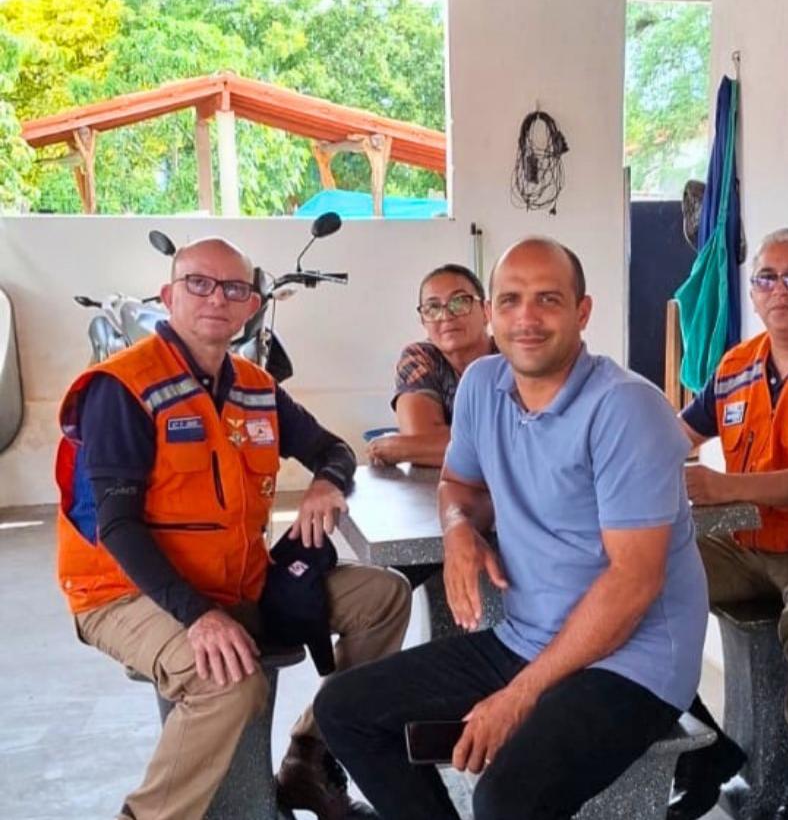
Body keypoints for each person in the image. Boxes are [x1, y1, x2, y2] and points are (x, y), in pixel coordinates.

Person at [315, 237, 710, 820]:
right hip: (527, 638)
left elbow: (634, 582)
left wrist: (518, 696)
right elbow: (460, 484)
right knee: (345, 709)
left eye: (548, 299)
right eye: (510, 300)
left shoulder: (627, 408)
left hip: (634, 662)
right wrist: (458, 530)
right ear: (491, 313)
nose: (527, 318)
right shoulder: (482, 385)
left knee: (504, 796)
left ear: (582, 312)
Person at [55, 236, 412, 820]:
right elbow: (117, 527)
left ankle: (309, 760)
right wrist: (198, 615)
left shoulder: (255, 385)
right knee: (229, 684)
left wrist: (326, 482)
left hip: (239, 581)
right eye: (199, 283)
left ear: (251, 305)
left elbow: (334, 449)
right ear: (169, 295)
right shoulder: (123, 388)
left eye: (235, 288)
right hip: (123, 592)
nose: (217, 298)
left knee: (385, 596)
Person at [672, 228, 788, 820]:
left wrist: (728, 488)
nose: (781, 289)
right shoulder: (736, 365)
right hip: (742, 543)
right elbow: (676, 435)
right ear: (751, 293)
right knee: (641, 578)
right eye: (767, 278)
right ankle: (702, 743)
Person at [367, 263, 494, 468]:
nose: (446, 316)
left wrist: (403, 448)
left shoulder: (512, 357)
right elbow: (420, 441)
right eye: (433, 308)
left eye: (459, 302)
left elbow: (531, 444)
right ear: (423, 321)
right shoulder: (420, 358)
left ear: (487, 312)